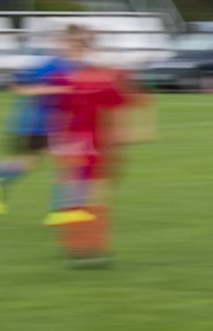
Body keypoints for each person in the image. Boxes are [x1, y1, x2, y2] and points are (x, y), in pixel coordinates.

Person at [0, 26, 87, 216]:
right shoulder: (48, 65)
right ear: (65, 43)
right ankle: (63, 211)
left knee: (30, 164)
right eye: (75, 44)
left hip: (51, 125)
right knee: (66, 163)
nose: (79, 49)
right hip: (34, 124)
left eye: (82, 45)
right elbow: (17, 86)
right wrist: (53, 90)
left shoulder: (77, 67)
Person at [46, 52, 142, 267]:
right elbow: (120, 109)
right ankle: (92, 249)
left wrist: (57, 143)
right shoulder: (103, 83)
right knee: (95, 197)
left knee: (74, 196)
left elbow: (58, 113)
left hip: (73, 144)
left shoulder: (72, 81)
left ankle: (75, 247)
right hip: (93, 145)